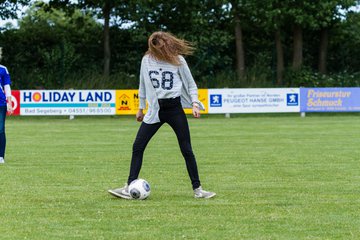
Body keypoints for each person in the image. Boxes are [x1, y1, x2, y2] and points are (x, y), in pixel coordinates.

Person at [109, 31, 216, 199]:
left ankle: (198, 190)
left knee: (186, 149)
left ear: (167, 44)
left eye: (159, 45)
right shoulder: (146, 60)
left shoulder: (178, 61)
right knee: (138, 146)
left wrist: (195, 103)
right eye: (153, 45)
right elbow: (142, 84)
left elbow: (191, 84)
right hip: (155, 110)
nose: (157, 49)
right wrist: (140, 107)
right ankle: (128, 187)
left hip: (174, 109)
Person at [0, 64, 13, 164]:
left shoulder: (3, 69)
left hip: (1, 104)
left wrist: (9, 103)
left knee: (0, 129)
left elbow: (7, 87)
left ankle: (1, 156)